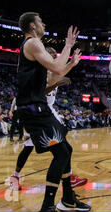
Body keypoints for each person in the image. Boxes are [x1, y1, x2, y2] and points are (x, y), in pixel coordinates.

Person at [14, 12, 90, 212]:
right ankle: (48, 205)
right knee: (62, 152)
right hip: (33, 108)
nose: (44, 23)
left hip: (37, 106)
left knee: (66, 150)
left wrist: (71, 64)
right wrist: (67, 46)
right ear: (32, 26)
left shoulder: (32, 46)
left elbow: (50, 80)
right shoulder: (32, 43)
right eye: (40, 21)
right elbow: (56, 67)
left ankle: (68, 200)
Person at [9, 46, 88, 193]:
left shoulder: (51, 71)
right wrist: (58, 82)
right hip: (35, 112)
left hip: (46, 111)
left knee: (62, 145)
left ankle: (67, 177)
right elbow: (38, 92)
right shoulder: (38, 71)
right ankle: (15, 177)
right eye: (49, 56)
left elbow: (58, 76)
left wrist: (70, 65)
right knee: (31, 148)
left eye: (53, 57)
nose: (51, 59)